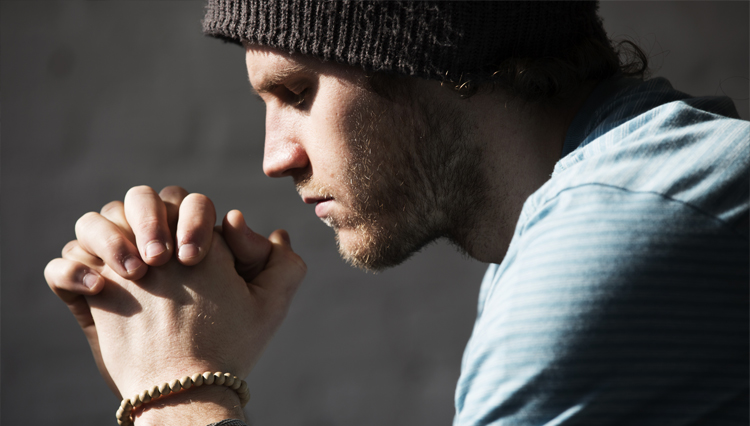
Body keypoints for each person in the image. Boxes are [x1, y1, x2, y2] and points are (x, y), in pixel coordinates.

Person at [44, 1, 749, 425]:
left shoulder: (606, 244)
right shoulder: (658, 179)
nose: (275, 158)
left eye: (295, 92)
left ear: (420, 49)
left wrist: (176, 390)